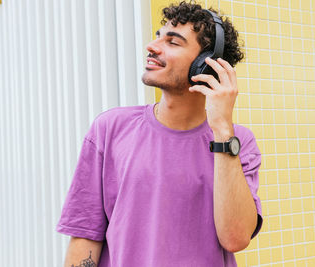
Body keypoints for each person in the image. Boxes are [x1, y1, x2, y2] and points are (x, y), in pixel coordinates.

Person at [57, 1, 262, 266]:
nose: (152, 47)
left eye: (173, 42)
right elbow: (85, 234)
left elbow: (235, 238)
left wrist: (223, 129)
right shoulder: (110, 128)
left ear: (206, 64)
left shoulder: (237, 142)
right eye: (157, 37)